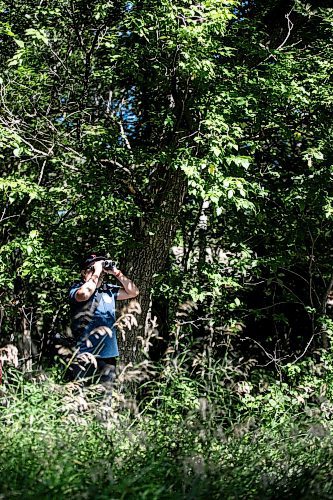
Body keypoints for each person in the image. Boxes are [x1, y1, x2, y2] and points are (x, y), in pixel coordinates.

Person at [68, 253, 139, 384]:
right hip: (84, 354)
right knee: (80, 400)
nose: (99, 273)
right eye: (92, 269)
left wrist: (115, 272)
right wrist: (98, 271)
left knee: (104, 401)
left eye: (100, 271)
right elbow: (84, 294)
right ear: (84, 273)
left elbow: (133, 291)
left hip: (107, 356)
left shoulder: (108, 290)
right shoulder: (76, 288)